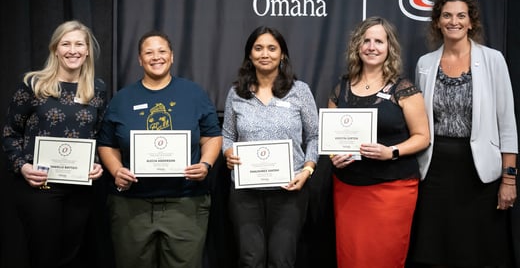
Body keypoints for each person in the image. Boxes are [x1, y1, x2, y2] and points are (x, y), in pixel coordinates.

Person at [409, 0, 518, 267]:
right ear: (437, 22)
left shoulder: (493, 60)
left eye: (461, 15)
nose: (453, 21)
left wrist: (509, 179)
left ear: (471, 22)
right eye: (446, 15)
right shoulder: (425, 63)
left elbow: (506, 124)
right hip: (435, 170)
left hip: (479, 172)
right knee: (435, 247)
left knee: (477, 249)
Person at [97, 31, 222, 268]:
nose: (156, 57)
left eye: (162, 51)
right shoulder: (122, 99)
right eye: (149, 52)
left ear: (172, 56)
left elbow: (212, 136)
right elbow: (107, 144)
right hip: (131, 206)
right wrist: (116, 171)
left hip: (186, 203)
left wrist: (205, 164)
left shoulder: (194, 94)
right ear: (139, 59)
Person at [1, 20, 107, 268]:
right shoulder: (34, 84)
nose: (73, 50)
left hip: (79, 188)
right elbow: (10, 132)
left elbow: (99, 134)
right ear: (55, 50)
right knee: (44, 257)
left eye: (79, 44)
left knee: (71, 257)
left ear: (88, 50)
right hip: (39, 186)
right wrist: (22, 167)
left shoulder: (97, 89)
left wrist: (97, 163)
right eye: (66, 44)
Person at [328, 16, 430, 268]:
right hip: (348, 188)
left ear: (389, 48)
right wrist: (334, 156)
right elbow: (330, 137)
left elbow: (422, 137)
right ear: (357, 46)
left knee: (385, 256)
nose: (372, 47)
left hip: (392, 189)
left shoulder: (403, 88)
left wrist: (391, 152)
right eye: (366, 40)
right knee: (352, 256)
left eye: (379, 41)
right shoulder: (341, 88)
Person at [222, 26, 319, 267]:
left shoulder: (300, 91)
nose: (265, 54)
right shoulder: (236, 93)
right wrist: (228, 152)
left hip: (289, 191)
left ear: (282, 54)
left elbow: (315, 136)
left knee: (281, 259)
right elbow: (226, 135)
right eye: (258, 48)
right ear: (250, 55)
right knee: (250, 259)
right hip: (245, 193)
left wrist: (307, 170)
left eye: (272, 48)